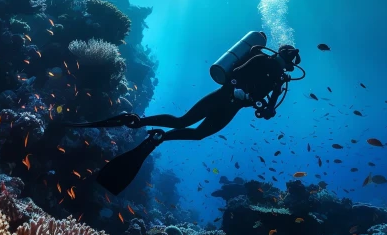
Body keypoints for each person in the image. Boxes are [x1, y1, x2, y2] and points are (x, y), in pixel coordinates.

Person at [56, 43, 304, 195]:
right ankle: (137, 121)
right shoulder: (262, 59)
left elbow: (270, 108)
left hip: (232, 109)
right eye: (289, 53)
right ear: (282, 52)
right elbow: (235, 73)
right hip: (223, 96)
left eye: (292, 57)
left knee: (199, 134)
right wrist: (238, 88)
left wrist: (267, 110)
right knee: (183, 120)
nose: (290, 58)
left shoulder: (280, 80)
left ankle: (159, 137)